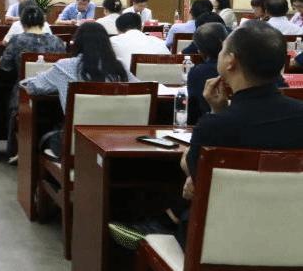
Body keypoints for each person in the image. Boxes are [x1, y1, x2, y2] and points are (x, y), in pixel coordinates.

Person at [110, 21, 303, 250]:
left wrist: (214, 115)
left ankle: (153, 232)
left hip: (223, 242)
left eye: (222, 49)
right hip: (291, 238)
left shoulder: (216, 125)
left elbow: (192, 170)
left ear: (230, 62)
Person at [22, 22, 138, 156]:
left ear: (77, 43)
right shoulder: (119, 67)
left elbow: (32, 87)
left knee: (46, 128)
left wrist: (38, 77)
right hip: (117, 141)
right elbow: (139, 87)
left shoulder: (65, 67)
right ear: (107, 43)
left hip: (76, 143)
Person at [0, 5, 66, 163]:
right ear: (43, 22)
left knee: (7, 94)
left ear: (22, 23)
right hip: (53, 95)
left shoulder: (17, 40)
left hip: (25, 93)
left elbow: (5, 66)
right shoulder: (57, 42)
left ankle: (17, 148)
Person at [185, 22, 228, 125]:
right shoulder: (239, 68)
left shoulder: (197, 72)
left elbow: (193, 111)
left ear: (200, 51)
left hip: (206, 123)